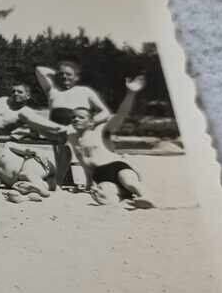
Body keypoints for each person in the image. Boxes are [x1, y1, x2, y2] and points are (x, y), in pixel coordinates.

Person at [64, 75, 154, 208]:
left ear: (90, 121)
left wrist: (130, 93)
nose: (76, 120)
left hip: (116, 166)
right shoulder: (72, 137)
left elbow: (121, 114)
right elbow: (84, 163)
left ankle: (145, 197)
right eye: (73, 118)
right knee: (107, 195)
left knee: (129, 182)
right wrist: (89, 183)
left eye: (80, 117)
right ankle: (124, 197)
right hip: (100, 174)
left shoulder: (100, 130)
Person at [34, 60, 113, 185]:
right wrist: (59, 74)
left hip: (78, 130)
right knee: (61, 153)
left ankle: (86, 180)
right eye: (62, 74)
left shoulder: (85, 91)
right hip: (57, 132)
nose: (65, 77)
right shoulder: (52, 91)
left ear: (76, 77)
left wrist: (91, 122)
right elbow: (39, 69)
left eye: (69, 74)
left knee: (75, 151)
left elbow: (105, 112)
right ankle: (65, 179)